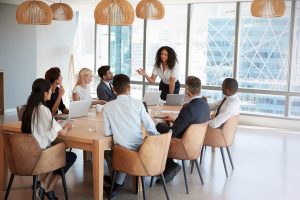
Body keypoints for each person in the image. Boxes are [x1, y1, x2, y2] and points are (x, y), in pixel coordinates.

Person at [103, 74, 158, 196]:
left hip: (122, 152)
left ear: (113, 89)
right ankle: (117, 182)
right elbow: (150, 127)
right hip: (140, 149)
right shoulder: (138, 104)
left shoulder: (107, 107)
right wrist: (159, 140)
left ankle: (115, 183)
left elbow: (107, 132)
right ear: (129, 87)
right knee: (121, 149)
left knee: (108, 152)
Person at [21, 78, 77, 200]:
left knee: (59, 151)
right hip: (40, 156)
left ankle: (44, 187)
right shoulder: (43, 110)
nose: (51, 94)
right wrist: (67, 126)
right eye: (50, 91)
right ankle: (46, 186)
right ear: (45, 93)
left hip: (27, 154)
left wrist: (55, 125)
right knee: (70, 156)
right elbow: (62, 133)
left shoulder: (30, 108)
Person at [156, 76, 210, 183]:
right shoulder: (205, 105)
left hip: (182, 145)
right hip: (194, 144)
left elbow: (174, 132)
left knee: (157, 134)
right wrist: (175, 119)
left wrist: (157, 125)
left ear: (188, 91)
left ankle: (171, 165)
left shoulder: (188, 108)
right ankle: (167, 166)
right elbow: (191, 122)